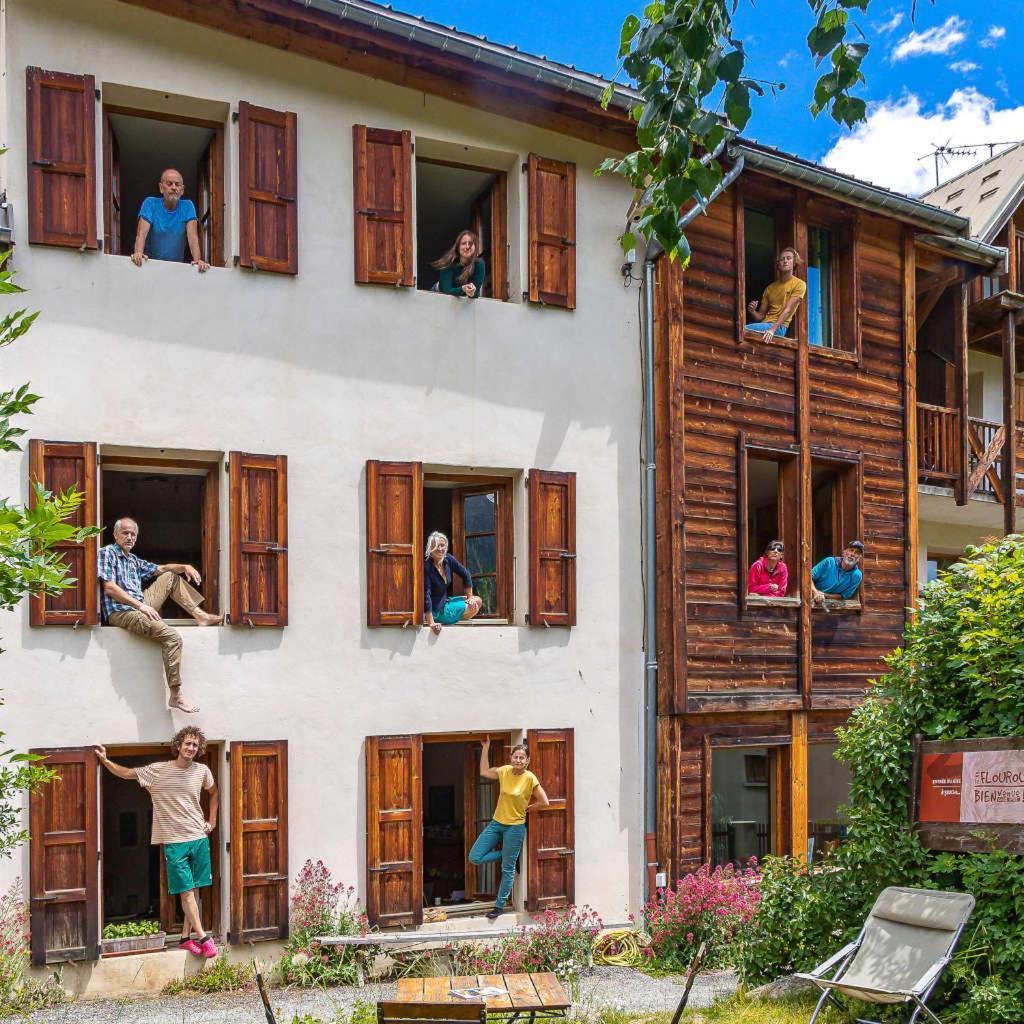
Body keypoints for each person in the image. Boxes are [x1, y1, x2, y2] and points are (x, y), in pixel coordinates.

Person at [94, 728, 218, 958]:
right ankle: (204, 937)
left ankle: (184, 938)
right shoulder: (158, 771)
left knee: (195, 890)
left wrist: (211, 821)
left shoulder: (202, 771)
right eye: (187, 743)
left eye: (195, 745)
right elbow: (127, 773)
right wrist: (105, 760)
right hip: (174, 841)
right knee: (186, 891)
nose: (191, 748)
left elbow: (214, 793)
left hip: (199, 838)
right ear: (179, 745)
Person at [98, 517, 223, 714]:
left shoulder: (133, 560)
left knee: (169, 577)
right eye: (125, 533)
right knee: (172, 637)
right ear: (115, 534)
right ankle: (176, 695)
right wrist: (141, 606)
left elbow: (161, 569)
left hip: (140, 605)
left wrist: (184, 567)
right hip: (121, 611)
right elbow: (110, 588)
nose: (129, 537)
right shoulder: (107, 553)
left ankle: (200, 616)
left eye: (133, 534)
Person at [469, 740, 549, 921]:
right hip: (497, 823)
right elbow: (483, 771)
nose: (518, 760)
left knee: (508, 869)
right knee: (475, 857)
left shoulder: (530, 778)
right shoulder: (504, 771)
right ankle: (508, 855)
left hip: (515, 827)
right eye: (516, 757)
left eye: (522, 758)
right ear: (511, 757)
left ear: (527, 760)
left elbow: (544, 802)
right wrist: (486, 747)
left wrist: (528, 809)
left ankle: (498, 906)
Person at [131, 168, 210, 272]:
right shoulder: (150, 204)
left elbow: (193, 238)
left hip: (174, 268)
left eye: (177, 185)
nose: (174, 187)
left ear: (182, 190)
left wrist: (198, 260)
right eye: (169, 184)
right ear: (161, 188)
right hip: (149, 265)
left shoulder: (188, 206)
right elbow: (142, 233)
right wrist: (138, 253)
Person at [424, 531, 483, 634]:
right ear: (430, 547)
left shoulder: (448, 559)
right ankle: (442, 618)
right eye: (436, 545)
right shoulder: (427, 567)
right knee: (473, 607)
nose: (440, 549)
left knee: (477, 601)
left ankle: (451, 618)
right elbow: (426, 595)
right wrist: (431, 623)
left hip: (445, 602)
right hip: (436, 610)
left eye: (442, 545)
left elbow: (465, 574)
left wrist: (469, 597)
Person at [745, 247, 806, 339]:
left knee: (743, 329)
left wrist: (772, 329)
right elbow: (761, 316)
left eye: (788, 258)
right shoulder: (770, 288)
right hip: (765, 325)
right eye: (782, 259)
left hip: (779, 327)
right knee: (742, 329)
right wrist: (752, 311)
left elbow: (788, 309)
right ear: (778, 264)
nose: (785, 261)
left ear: (794, 262)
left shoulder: (800, 284)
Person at [432, 229, 485, 299]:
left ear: (475, 247)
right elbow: (446, 290)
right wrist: (463, 289)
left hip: (460, 298)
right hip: (438, 293)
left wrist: (472, 293)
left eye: (470, 243)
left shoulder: (479, 264)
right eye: (463, 243)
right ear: (458, 247)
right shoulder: (449, 262)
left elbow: (476, 290)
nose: (467, 246)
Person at [811, 540, 865, 605]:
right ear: (844, 552)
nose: (852, 554)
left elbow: (843, 596)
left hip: (831, 606)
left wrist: (825, 595)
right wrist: (815, 592)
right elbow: (808, 577)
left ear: (859, 558)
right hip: (811, 598)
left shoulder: (857, 575)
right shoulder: (829, 562)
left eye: (857, 553)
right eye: (851, 550)